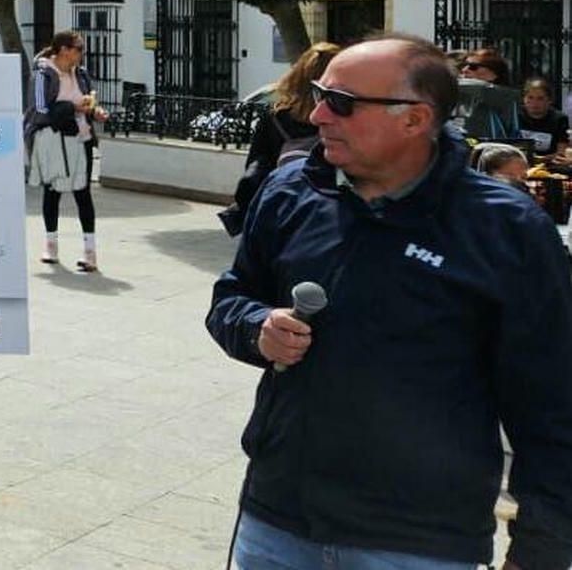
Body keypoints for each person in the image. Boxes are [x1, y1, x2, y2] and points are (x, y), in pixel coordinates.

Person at [207, 34, 572, 570]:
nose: (318, 114)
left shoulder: (506, 227)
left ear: (415, 119)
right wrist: (257, 326)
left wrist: (542, 549)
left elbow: (552, 399)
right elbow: (232, 296)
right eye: (320, 95)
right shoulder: (290, 192)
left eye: (341, 102)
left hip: (417, 541)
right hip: (276, 522)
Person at [221, 43, 341, 238]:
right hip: (330, 211)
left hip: (282, 210)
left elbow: (256, 166)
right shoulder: (342, 118)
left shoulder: (275, 118)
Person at [24, 30, 108, 273]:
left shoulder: (81, 74)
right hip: (54, 141)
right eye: (78, 48)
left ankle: (90, 252)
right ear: (63, 50)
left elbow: (88, 104)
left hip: (81, 139)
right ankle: (50, 246)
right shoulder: (43, 74)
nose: (82, 53)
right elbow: (39, 109)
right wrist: (73, 107)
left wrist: (95, 111)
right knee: (52, 192)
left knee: (83, 194)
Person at [517, 76, 569, 161]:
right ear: (523, 99)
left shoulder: (559, 119)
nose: (534, 103)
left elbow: (561, 153)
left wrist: (541, 159)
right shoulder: (515, 116)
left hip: (549, 163)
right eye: (530, 97)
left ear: (549, 100)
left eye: (540, 99)